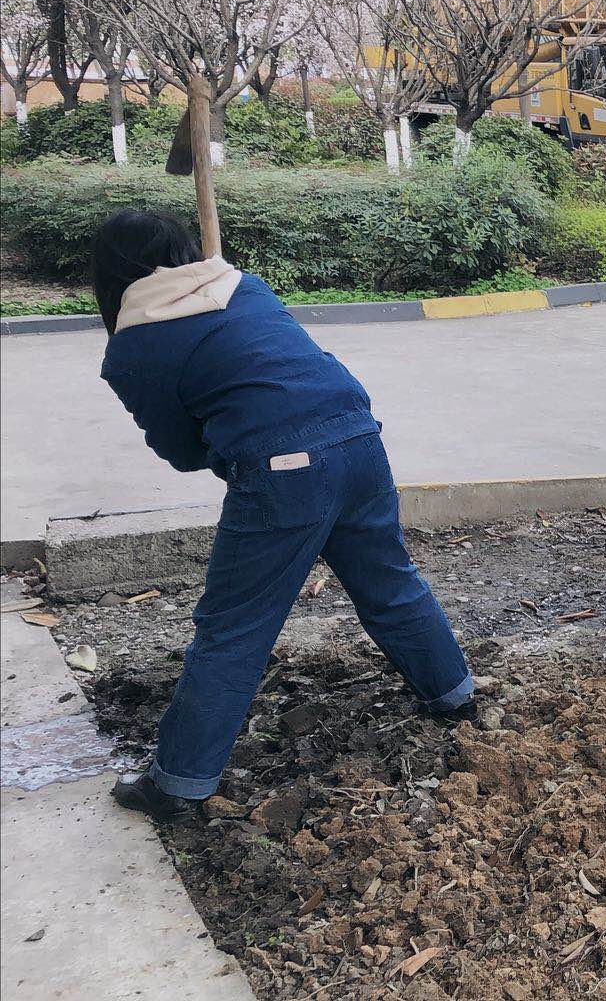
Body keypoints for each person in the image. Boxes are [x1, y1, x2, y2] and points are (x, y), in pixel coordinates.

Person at [92, 209, 477, 824]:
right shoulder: (245, 286)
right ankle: (454, 696)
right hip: (359, 440)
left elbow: (180, 451)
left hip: (285, 472)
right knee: (389, 584)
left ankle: (180, 784)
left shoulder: (134, 347)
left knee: (235, 627)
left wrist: (234, 441)